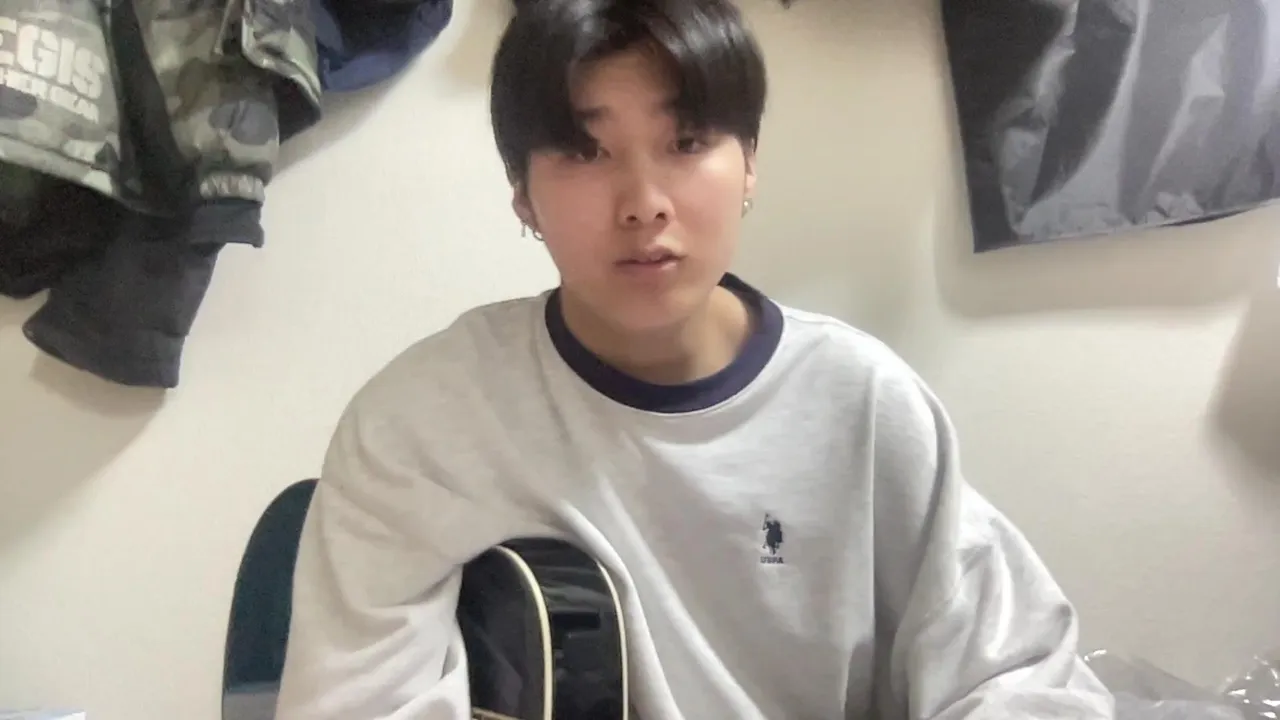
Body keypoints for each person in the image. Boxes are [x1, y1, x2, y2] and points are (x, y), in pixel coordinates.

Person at [274, 0, 1117, 718]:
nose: (643, 204)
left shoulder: (863, 404)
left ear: (748, 163)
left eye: (686, 142)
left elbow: (1022, 677)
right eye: (585, 151)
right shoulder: (425, 424)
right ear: (523, 194)